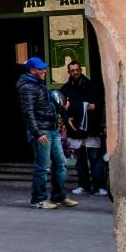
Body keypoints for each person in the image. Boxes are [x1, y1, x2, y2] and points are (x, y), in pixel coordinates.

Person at [15, 56, 73, 209]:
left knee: (60, 163)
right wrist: (37, 133)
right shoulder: (28, 87)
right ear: (32, 70)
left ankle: (59, 197)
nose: (44, 70)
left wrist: (61, 108)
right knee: (43, 167)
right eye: (41, 68)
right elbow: (28, 113)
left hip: (51, 129)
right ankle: (39, 200)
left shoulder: (38, 84)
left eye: (44, 68)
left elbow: (46, 107)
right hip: (42, 131)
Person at [62, 63, 109, 196]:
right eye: (72, 71)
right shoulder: (65, 89)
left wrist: (95, 107)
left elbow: (101, 103)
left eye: (77, 70)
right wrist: (67, 118)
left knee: (95, 159)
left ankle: (99, 186)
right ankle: (83, 186)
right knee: (80, 160)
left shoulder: (93, 86)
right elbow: (62, 108)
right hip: (75, 129)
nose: (75, 72)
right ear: (69, 72)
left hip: (92, 127)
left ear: (81, 70)